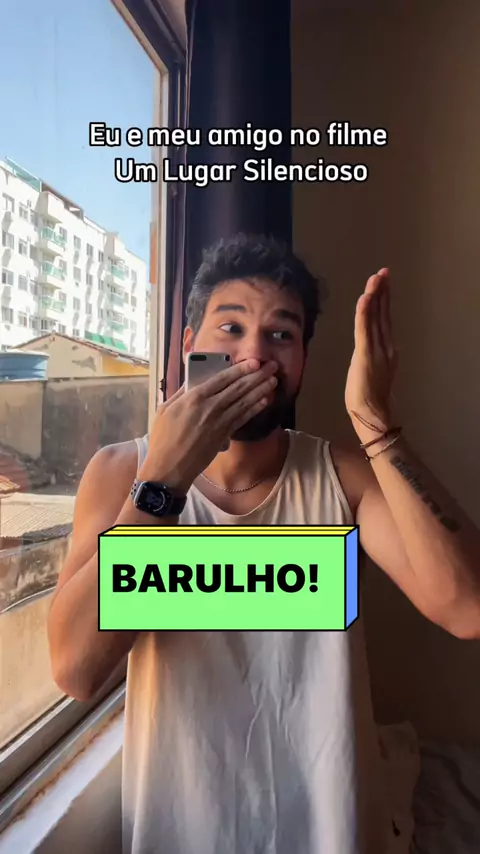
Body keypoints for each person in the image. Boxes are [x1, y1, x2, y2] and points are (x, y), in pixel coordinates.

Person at [48, 233, 480, 854]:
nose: (254, 354)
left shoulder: (340, 478)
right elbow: (75, 669)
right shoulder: (122, 474)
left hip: (331, 831)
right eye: (231, 328)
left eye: (281, 335)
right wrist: (164, 482)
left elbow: (467, 608)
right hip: (182, 833)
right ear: (188, 345)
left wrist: (374, 421)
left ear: (302, 360)